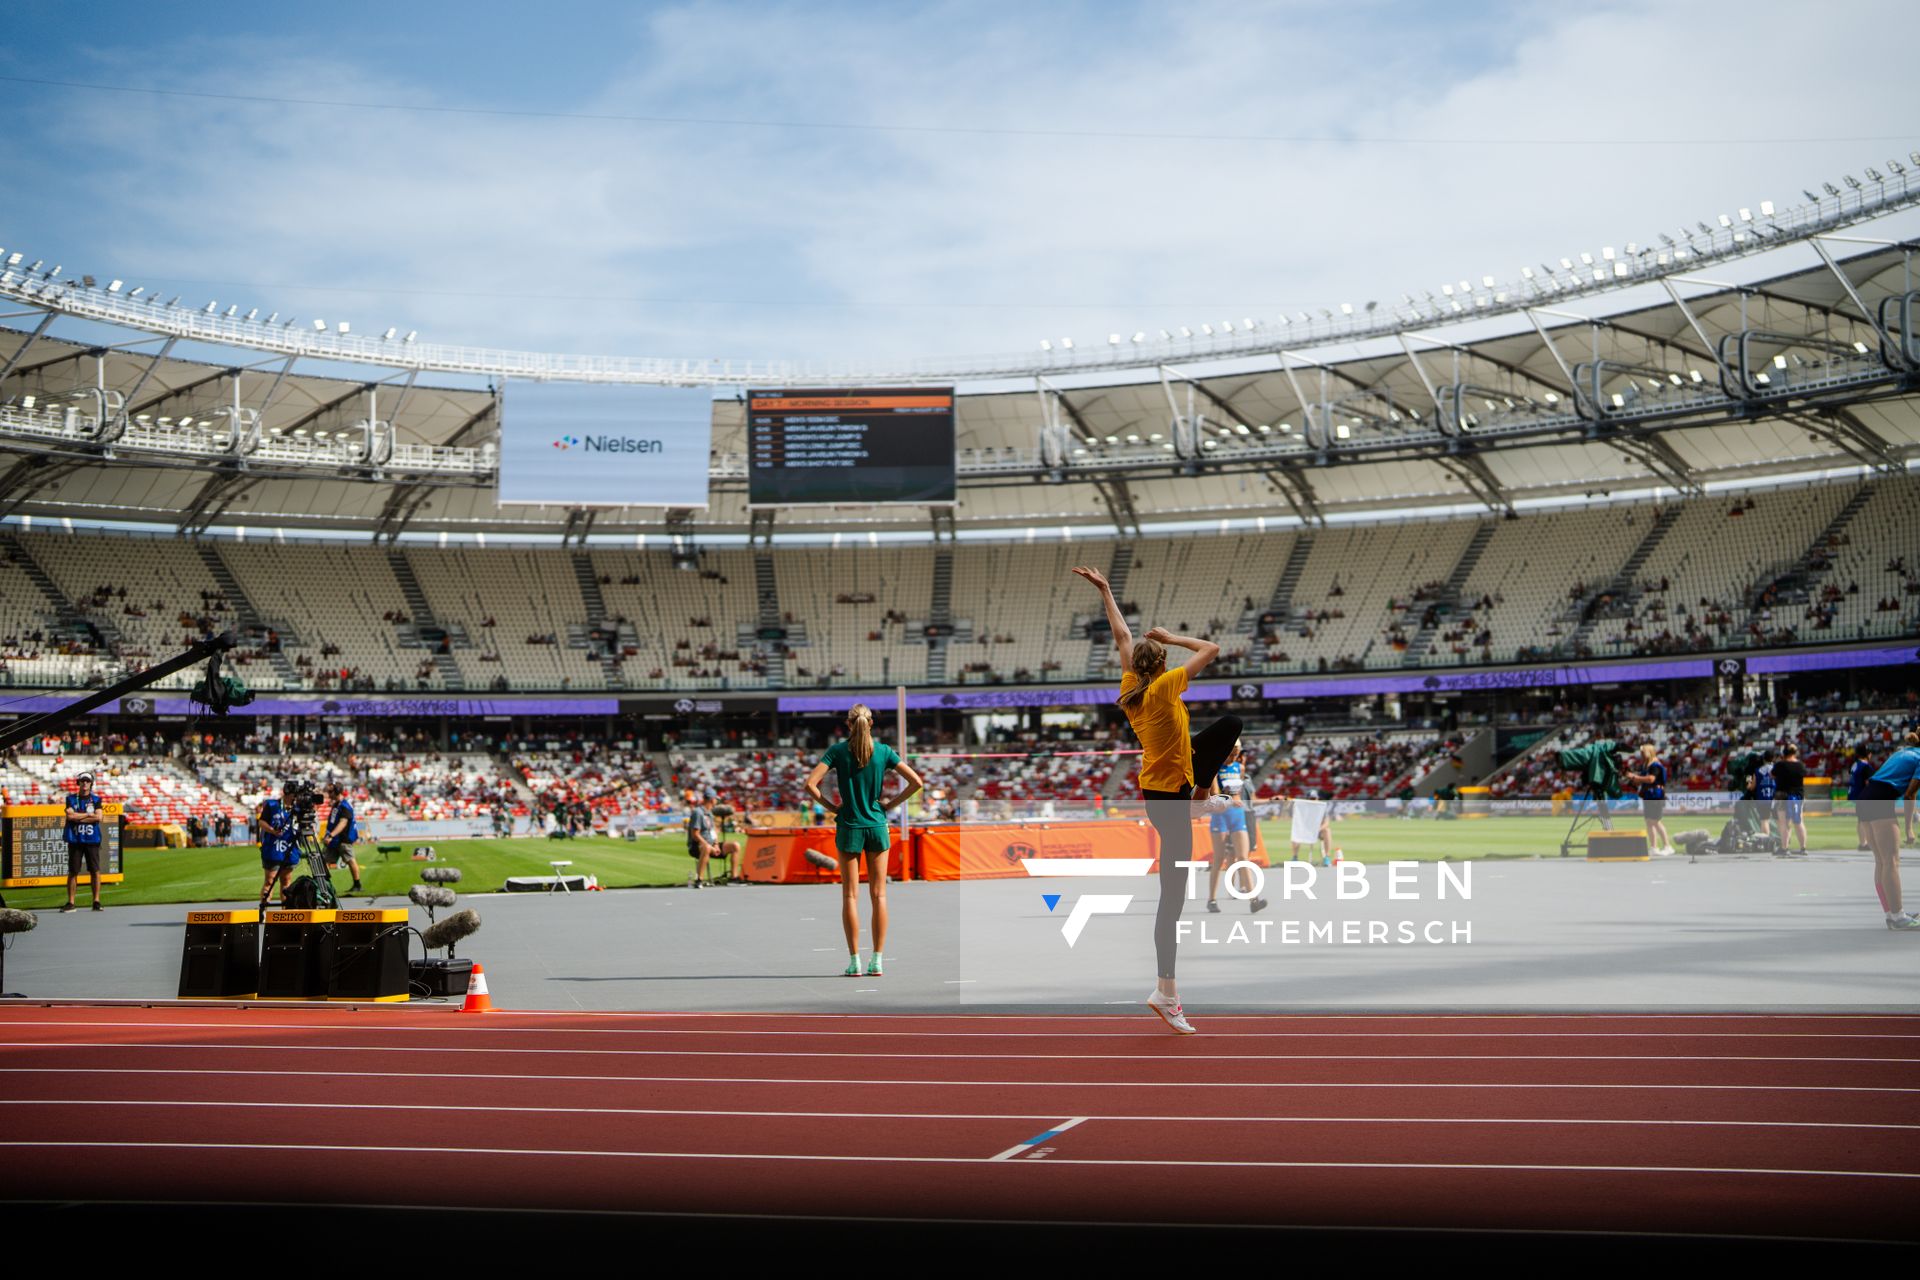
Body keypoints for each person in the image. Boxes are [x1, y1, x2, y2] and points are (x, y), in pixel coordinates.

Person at [1072, 564, 1236, 1036]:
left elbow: (1122, 635)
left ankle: (1201, 798)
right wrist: (1174, 636)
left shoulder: (1131, 688)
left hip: (1164, 789)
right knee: (1173, 901)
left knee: (1227, 727)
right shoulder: (1165, 687)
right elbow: (1212, 649)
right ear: (1160, 665)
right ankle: (1166, 991)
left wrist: (1106, 591)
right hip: (1169, 801)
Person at [805, 703, 924, 978]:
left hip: (849, 825)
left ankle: (855, 961)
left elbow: (810, 784)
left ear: (849, 724)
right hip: (877, 824)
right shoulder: (883, 751)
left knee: (850, 895)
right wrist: (889, 805)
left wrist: (834, 808)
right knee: (879, 895)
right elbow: (917, 782)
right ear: (871, 724)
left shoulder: (837, 751)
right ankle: (878, 960)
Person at [1859, 735, 1920, 930]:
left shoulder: (1903, 752)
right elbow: (1910, 794)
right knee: (1892, 861)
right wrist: (1909, 829)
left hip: (1866, 798)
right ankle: (1899, 917)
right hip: (1880, 800)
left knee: (1882, 861)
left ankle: (1892, 914)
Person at [1206, 742, 1268, 916]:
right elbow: (1216, 794)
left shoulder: (1239, 768)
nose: (1233, 757)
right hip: (1220, 815)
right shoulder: (1214, 768)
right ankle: (1211, 899)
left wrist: (1237, 801)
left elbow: (1238, 792)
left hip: (1237, 815)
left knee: (1243, 858)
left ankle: (1254, 900)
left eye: (1236, 754)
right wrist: (1231, 800)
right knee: (1219, 859)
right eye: (1231, 754)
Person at [61, 772, 105, 913]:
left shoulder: (96, 799)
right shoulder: (71, 798)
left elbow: (98, 817)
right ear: (78, 783)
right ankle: (71, 902)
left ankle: (96, 901)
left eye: (87, 781)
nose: (85, 783)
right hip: (75, 839)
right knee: (73, 871)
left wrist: (78, 817)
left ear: (91, 783)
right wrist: (88, 815)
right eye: (82, 781)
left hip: (92, 839)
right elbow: (70, 816)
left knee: (95, 870)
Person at [1625, 743, 1673, 857]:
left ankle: (1667, 846)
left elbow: (1651, 779)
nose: (1641, 755)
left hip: (1656, 795)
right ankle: (1654, 847)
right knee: (1649, 822)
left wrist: (1634, 777)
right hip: (1649, 795)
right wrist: (1632, 778)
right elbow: (1642, 780)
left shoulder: (1654, 765)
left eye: (1643, 752)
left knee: (1655, 821)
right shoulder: (1646, 765)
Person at [256, 782, 298, 910]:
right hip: (272, 848)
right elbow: (261, 822)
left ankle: (285, 912)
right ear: (287, 794)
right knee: (270, 880)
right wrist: (272, 830)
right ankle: (263, 910)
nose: (295, 798)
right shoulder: (272, 805)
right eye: (293, 795)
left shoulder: (298, 808)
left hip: (289, 848)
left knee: (286, 881)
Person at [322, 781, 365, 894]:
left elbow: (343, 823)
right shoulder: (337, 804)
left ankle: (357, 884)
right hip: (334, 839)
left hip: (343, 839)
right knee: (323, 861)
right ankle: (325, 885)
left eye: (331, 791)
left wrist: (331, 835)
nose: (329, 793)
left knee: (350, 860)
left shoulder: (345, 806)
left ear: (337, 791)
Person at [1772, 744, 1808, 856]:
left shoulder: (1780, 765)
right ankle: (1803, 848)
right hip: (1798, 796)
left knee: (1784, 823)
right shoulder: (1801, 765)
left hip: (1782, 795)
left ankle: (1785, 848)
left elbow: (1772, 775)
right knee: (1798, 821)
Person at [685, 792, 719, 888]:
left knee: (734, 846)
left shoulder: (710, 813)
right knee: (706, 848)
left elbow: (713, 831)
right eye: (716, 799)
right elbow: (695, 834)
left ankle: (734, 878)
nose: (717, 801)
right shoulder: (698, 812)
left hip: (711, 844)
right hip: (697, 846)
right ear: (712, 799)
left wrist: (716, 845)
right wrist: (709, 846)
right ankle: (699, 879)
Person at [1849, 743, 1878, 852]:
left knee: (1861, 820)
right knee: (1868, 821)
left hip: (1856, 796)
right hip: (1865, 797)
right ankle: (1870, 844)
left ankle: (1863, 843)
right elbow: (1868, 784)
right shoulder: (1866, 767)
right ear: (1869, 754)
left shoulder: (1854, 764)